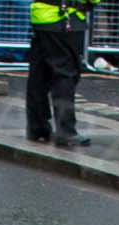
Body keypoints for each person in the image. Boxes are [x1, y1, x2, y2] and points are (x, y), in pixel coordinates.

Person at [25, 0, 92, 148]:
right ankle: (66, 131)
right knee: (65, 75)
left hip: (41, 16)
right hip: (64, 18)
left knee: (39, 74)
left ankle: (37, 127)